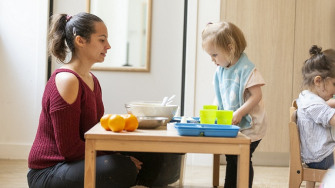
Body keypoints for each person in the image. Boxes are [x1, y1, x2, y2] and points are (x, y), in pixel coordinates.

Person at [27, 12, 181, 188]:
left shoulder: (91, 80)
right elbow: (69, 150)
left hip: (74, 162)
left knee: (159, 157)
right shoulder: (67, 80)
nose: (108, 46)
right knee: (123, 167)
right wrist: (118, 156)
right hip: (50, 171)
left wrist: (124, 146)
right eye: (102, 39)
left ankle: (135, 176)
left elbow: (96, 131)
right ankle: (132, 175)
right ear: (80, 41)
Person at [202, 21, 267, 188]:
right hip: (233, 125)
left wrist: (238, 113)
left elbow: (256, 95)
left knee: (241, 157)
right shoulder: (222, 69)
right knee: (232, 157)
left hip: (250, 126)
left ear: (230, 48)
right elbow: (221, 95)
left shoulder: (247, 69)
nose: (212, 60)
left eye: (214, 55)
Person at [296, 45, 335, 170]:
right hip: (321, 157)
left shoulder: (307, 97)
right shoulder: (313, 104)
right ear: (318, 81)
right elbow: (328, 115)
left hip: (319, 154)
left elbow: (324, 107)